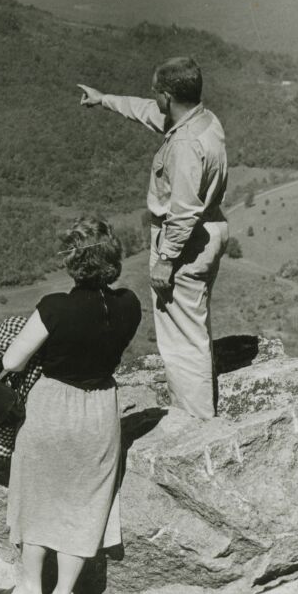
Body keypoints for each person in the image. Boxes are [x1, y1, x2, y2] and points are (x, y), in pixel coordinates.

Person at [0, 217, 144, 594]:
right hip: (100, 409)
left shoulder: (54, 307)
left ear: (73, 261)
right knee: (86, 503)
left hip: (52, 406)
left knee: (36, 496)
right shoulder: (130, 304)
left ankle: (29, 590)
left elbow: (12, 361)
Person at [78, 56, 229, 419]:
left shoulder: (185, 145)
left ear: (168, 96)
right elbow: (147, 112)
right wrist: (104, 99)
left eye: (156, 92)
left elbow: (184, 211)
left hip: (185, 243)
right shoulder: (204, 120)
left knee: (181, 343)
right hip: (209, 231)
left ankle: (196, 425)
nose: (154, 98)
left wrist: (166, 260)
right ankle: (199, 410)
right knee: (192, 328)